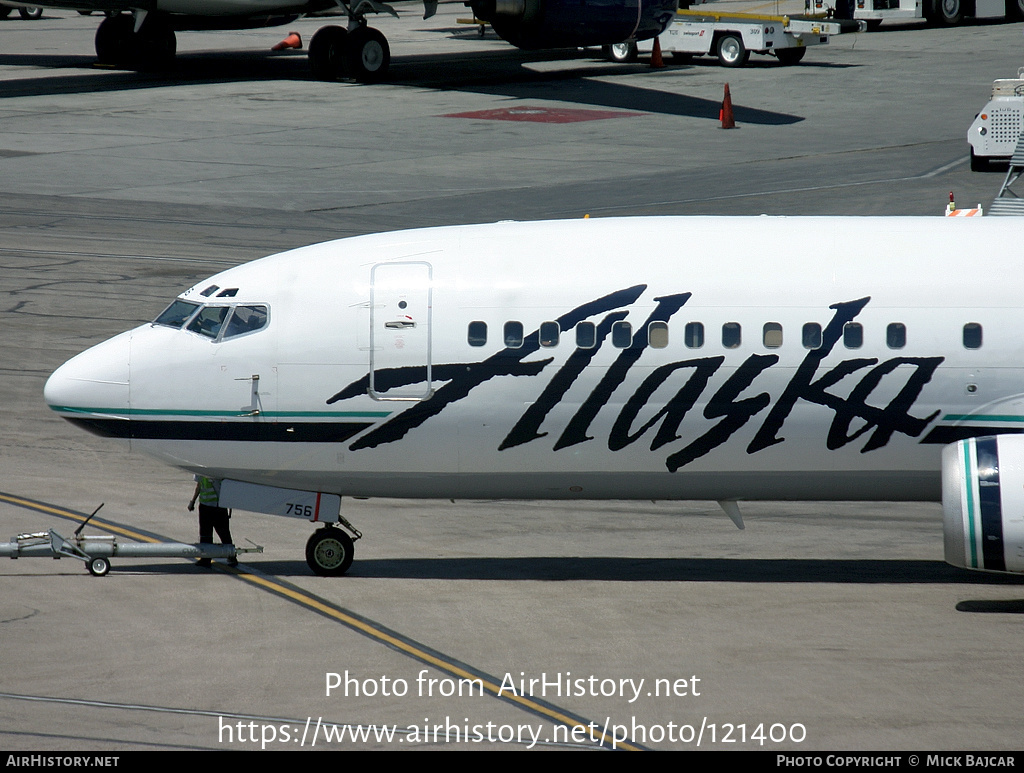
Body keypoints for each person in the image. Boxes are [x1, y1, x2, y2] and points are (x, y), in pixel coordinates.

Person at [187, 475, 237, 567]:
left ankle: (229, 555)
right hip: (207, 506)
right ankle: (207, 558)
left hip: (216, 507)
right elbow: (199, 486)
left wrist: (192, 502)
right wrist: (193, 501)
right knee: (207, 533)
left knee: (221, 532)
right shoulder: (203, 472)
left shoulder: (213, 473)